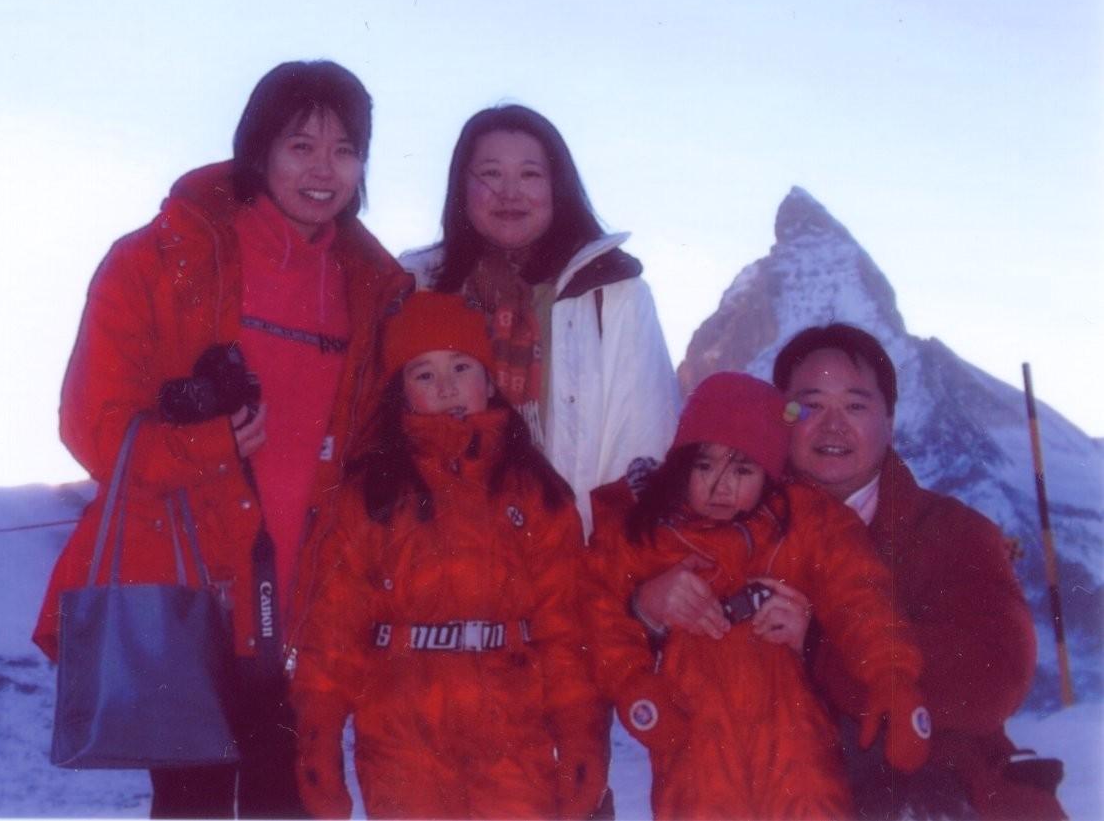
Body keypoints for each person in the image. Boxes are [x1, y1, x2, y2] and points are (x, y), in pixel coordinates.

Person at [33, 60, 410, 819]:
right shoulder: (157, 259)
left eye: (344, 150)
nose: (323, 170)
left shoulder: (376, 290)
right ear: (257, 150)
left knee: (292, 802)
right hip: (190, 598)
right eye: (301, 146)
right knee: (191, 803)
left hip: (309, 606)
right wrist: (205, 445)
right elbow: (91, 421)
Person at [634, 324, 1066, 820]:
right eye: (810, 407)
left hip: (931, 787)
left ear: (890, 421)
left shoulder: (954, 531)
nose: (832, 427)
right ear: (780, 419)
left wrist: (821, 646)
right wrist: (646, 608)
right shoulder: (707, 523)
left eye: (856, 407)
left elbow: (996, 676)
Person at [290, 292, 607, 820]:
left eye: (461, 366)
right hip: (402, 735)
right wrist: (318, 732)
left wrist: (580, 732)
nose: (446, 387)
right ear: (402, 393)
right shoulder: (370, 495)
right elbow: (333, 627)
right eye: (424, 374)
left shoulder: (537, 493)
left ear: (490, 380)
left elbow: (565, 628)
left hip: (513, 732)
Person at [588, 371, 929, 819]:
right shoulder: (647, 532)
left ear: (768, 473)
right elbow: (600, 614)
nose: (720, 486)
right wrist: (635, 686)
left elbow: (860, 597)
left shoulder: (803, 523)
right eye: (704, 466)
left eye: (743, 470)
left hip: (795, 746)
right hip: (695, 744)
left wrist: (892, 677)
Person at [400, 104, 681, 536]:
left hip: (576, 550)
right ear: (462, 187)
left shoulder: (612, 292)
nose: (510, 193)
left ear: (557, 187)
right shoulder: (419, 288)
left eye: (530, 175)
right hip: (441, 547)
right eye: (491, 174)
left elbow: (644, 438)